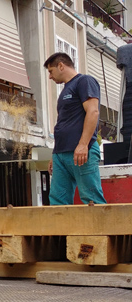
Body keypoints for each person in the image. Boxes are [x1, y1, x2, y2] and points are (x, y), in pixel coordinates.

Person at [44, 52, 107, 205]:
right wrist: (55, 154)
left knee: (91, 199)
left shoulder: (84, 81)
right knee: (57, 201)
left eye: (51, 71)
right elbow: (64, 122)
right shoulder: (65, 91)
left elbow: (93, 112)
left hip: (81, 151)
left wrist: (83, 144)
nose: (50, 77)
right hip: (61, 153)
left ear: (61, 66)